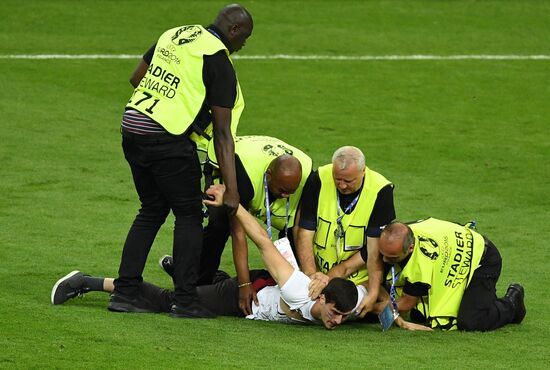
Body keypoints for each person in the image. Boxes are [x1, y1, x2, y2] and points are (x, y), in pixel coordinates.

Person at [52, 185, 364, 330]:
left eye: (342, 317)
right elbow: (263, 242)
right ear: (321, 298)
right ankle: (87, 282)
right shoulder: (298, 288)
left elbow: (375, 301)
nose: (337, 321)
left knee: (201, 285)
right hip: (237, 298)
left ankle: (187, 272)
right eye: (335, 313)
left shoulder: (350, 306)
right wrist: (234, 204)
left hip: (250, 293)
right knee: (172, 300)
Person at [112, 4, 253, 318]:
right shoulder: (218, 60)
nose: (241, 47)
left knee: (151, 209)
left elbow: (137, 77)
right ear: (234, 30)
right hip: (165, 138)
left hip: (132, 125)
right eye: (243, 40)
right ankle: (186, 301)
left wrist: (170, 103)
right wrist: (232, 190)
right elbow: (223, 134)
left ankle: (125, 292)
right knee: (189, 214)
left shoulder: (177, 33)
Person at [162, 135, 312, 315]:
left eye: (291, 191)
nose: (286, 196)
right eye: (282, 190)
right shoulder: (244, 178)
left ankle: (275, 285)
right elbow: (238, 234)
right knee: (220, 224)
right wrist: (244, 284)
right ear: (269, 175)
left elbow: (301, 229)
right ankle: (194, 283)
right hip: (229, 167)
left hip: (260, 174)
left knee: (292, 236)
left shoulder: (308, 176)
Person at [295, 146, 395, 316]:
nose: (342, 185)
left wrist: (372, 292)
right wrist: (312, 276)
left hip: (357, 277)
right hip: (318, 272)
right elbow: (304, 232)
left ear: (363, 172)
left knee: (349, 311)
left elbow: (374, 249)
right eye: (337, 179)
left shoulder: (381, 190)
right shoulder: (318, 179)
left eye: (348, 181)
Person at [377, 219, 526, 331]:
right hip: (457, 253)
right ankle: (480, 299)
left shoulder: (420, 263)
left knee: (470, 320)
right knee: (421, 315)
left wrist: (369, 308)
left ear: (410, 248)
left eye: (392, 257)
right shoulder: (403, 232)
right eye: (382, 253)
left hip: (482, 261)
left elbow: (405, 304)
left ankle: (512, 304)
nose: (384, 260)